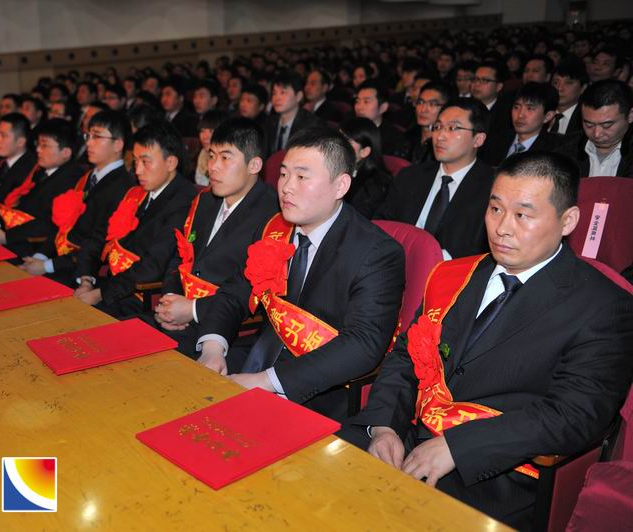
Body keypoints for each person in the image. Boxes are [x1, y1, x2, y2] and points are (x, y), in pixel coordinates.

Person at [342, 150, 633, 529]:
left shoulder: (604, 306)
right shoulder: (454, 275)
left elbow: (576, 414)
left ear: (568, 221)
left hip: (499, 471)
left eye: (523, 215)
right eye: (495, 209)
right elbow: (406, 356)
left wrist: (458, 447)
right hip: (407, 434)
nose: (502, 228)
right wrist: (384, 426)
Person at [195, 127, 405, 421]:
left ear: (341, 186)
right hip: (256, 358)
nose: (286, 187)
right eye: (283, 174)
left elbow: (363, 344)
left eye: (302, 177)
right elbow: (234, 293)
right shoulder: (274, 228)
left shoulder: (376, 252)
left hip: (319, 389)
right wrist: (213, 348)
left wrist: (266, 381)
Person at [152, 117, 279, 355]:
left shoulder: (274, 216)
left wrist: (192, 309)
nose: (213, 167)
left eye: (225, 158)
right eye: (211, 156)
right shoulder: (204, 200)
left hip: (227, 331)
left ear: (254, 165)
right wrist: (170, 298)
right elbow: (180, 257)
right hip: (179, 315)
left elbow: (247, 289)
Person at [72, 121, 197, 318]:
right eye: (136, 161)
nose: (137, 170)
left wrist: (99, 294)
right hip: (110, 282)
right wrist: (86, 279)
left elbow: (153, 266)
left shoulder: (186, 202)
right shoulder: (137, 192)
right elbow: (100, 235)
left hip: (139, 297)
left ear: (171, 163)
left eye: (145, 162)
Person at [20, 111, 135, 285]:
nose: (88, 143)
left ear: (118, 144)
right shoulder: (86, 178)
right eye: (88, 136)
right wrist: (40, 256)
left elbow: (99, 244)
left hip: (84, 272)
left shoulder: (124, 188)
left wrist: (47, 266)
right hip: (61, 260)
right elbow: (64, 227)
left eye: (97, 136)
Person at [377, 98, 494, 259]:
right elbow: (383, 224)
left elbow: (483, 250)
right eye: (437, 127)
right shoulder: (409, 176)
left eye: (453, 128)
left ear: (478, 139)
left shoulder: (492, 189)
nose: (440, 136)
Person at [0, 119, 82, 257]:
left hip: (34, 247)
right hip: (15, 237)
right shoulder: (40, 171)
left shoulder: (72, 180)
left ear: (66, 152)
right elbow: (15, 203)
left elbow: (50, 223)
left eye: (44, 145)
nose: (38, 150)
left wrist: (6, 237)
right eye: (38, 144)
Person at [556, 79, 633, 177]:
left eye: (606, 125)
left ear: (630, 116)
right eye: (589, 125)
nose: (597, 134)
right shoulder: (564, 151)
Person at [480, 82, 561, 167]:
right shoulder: (494, 141)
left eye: (529, 108)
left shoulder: (554, 151)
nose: (520, 115)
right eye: (516, 107)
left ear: (548, 116)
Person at [339, 117, 393, 219]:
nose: (338, 145)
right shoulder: (334, 167)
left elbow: (356, 220)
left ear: (364, 151)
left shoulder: (376, 185)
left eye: (347, 141)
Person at [263, 71, 324, 156]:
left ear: (298, 96)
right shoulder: (268, 123)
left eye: (283, 92)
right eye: (274, 93)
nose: (277, 98)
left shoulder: (312, 125)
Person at [401, 81, 454, 165]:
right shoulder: (407, 136)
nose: (423, 109)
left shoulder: (448, 146)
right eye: (420, 102)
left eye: (432, 104)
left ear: (447, 108)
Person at [353, 81, 406, 158]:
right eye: (357, 101)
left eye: (366, 102)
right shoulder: (348, 129)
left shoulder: (393, 139)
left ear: (383, 107)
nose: (359, 107)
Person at [549, 58, 589, 135]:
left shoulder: (587, 119)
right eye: (555, 82)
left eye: (568, 83)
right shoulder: (541, 113)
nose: (559, 88)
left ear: (583, 88)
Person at [195, 110, 227, 186]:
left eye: (211, 131)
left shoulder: (227, 160)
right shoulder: (202, 154)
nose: (205, 137)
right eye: (202, 131)